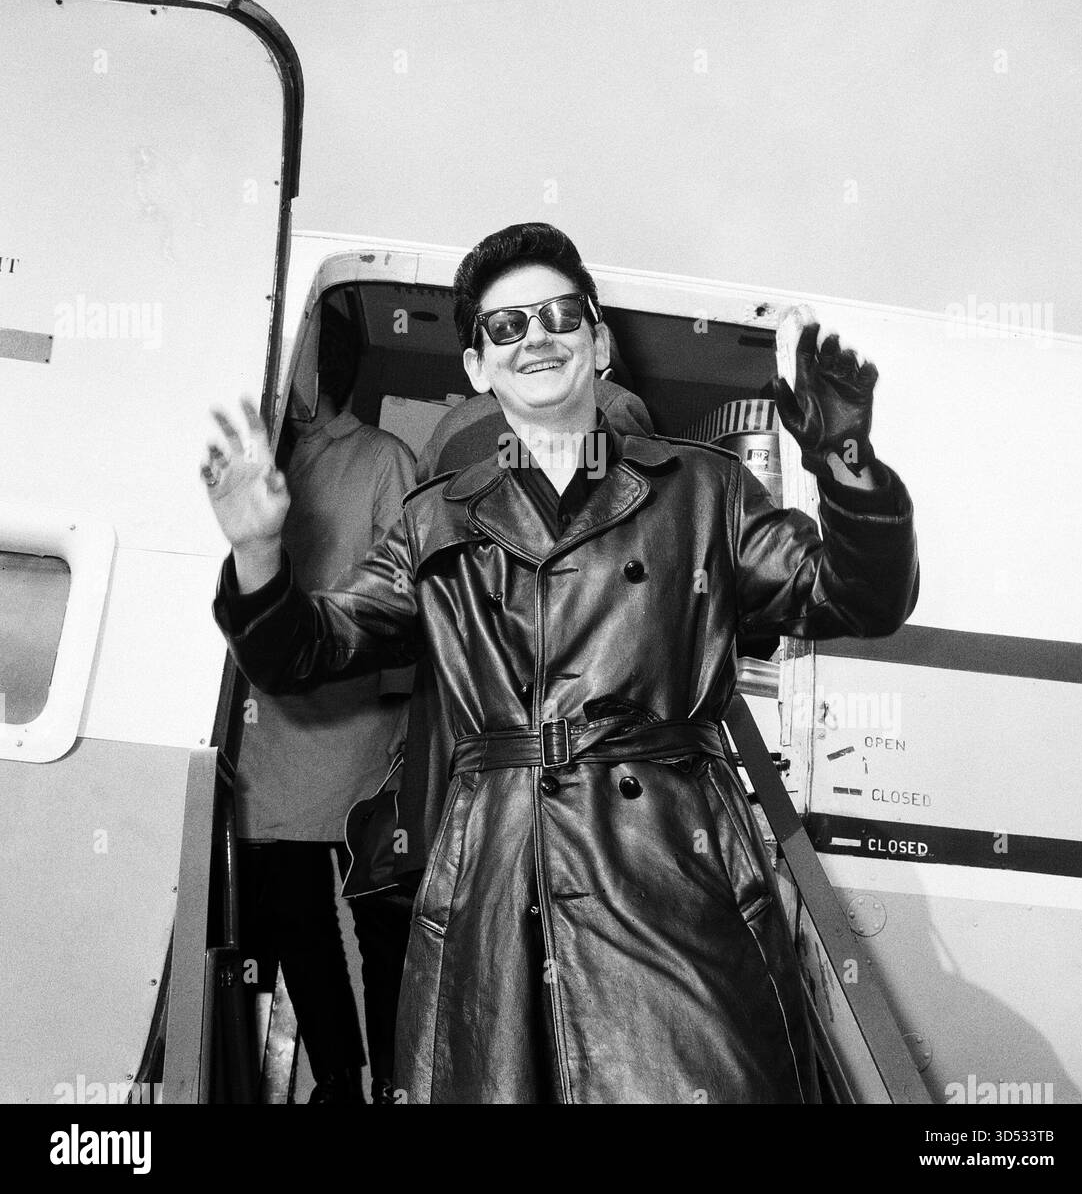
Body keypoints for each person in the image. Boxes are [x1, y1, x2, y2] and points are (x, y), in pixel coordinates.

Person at [204, 222, 919, 1104]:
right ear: (476, 368)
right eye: (506, 327)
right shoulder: (436, 523)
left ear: (599, 341)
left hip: (671, 877)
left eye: (559, 316)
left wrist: (847, 465)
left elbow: (855, 598)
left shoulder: (705, 492)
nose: (536, 337)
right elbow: (305, 651)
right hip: (492, 898)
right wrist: (258, 554)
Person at [226, 308, 416, 1104]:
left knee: (381, 923)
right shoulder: (272, 459)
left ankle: (397, 1086)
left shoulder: (383, 458)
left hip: (362, 732)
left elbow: (415, 599)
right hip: (274, 733)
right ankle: (338, 1079)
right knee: (298, 917)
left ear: (315, 372)